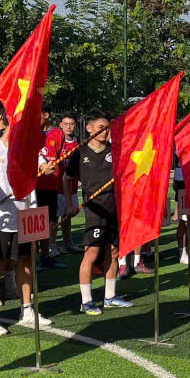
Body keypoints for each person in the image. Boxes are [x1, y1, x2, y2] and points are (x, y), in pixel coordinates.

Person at [0, 114, 52, 335]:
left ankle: (27, 311)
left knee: (26, 261)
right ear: (9, 124)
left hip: (28, 214)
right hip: (3, 218)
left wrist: (48, 167)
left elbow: (43, 165)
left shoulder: (27, 147)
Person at [64, 111, 129, 315]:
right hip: (95, 210)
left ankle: (110, 297)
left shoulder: (114, 150)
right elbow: (67, 178)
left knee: (114, 252)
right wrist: (69, 203)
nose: (105, 132)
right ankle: (86, 301)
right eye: (101, 128)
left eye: (107, 128)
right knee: (91, 253)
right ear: (89, 128)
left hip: (114, 208)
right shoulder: (80, 152)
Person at [36, 111, 66, 269]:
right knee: (36, 223)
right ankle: (33, 258)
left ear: (46, 114)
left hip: (52, 185)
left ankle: (47, 255)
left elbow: (60, 158)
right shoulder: (31, 134)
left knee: (50, 221)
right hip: (35, 187)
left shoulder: (58, 133)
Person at [56, 113, 80, 254]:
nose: (68, 127)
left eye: (71, 124)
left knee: (68, 215)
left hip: (72, 185)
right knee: (54, 217)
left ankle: (67, 243)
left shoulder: (78, 141)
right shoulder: (57, 140)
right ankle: (52, 245)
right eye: (65, 124)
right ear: (61, 125)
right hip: (57, 186)